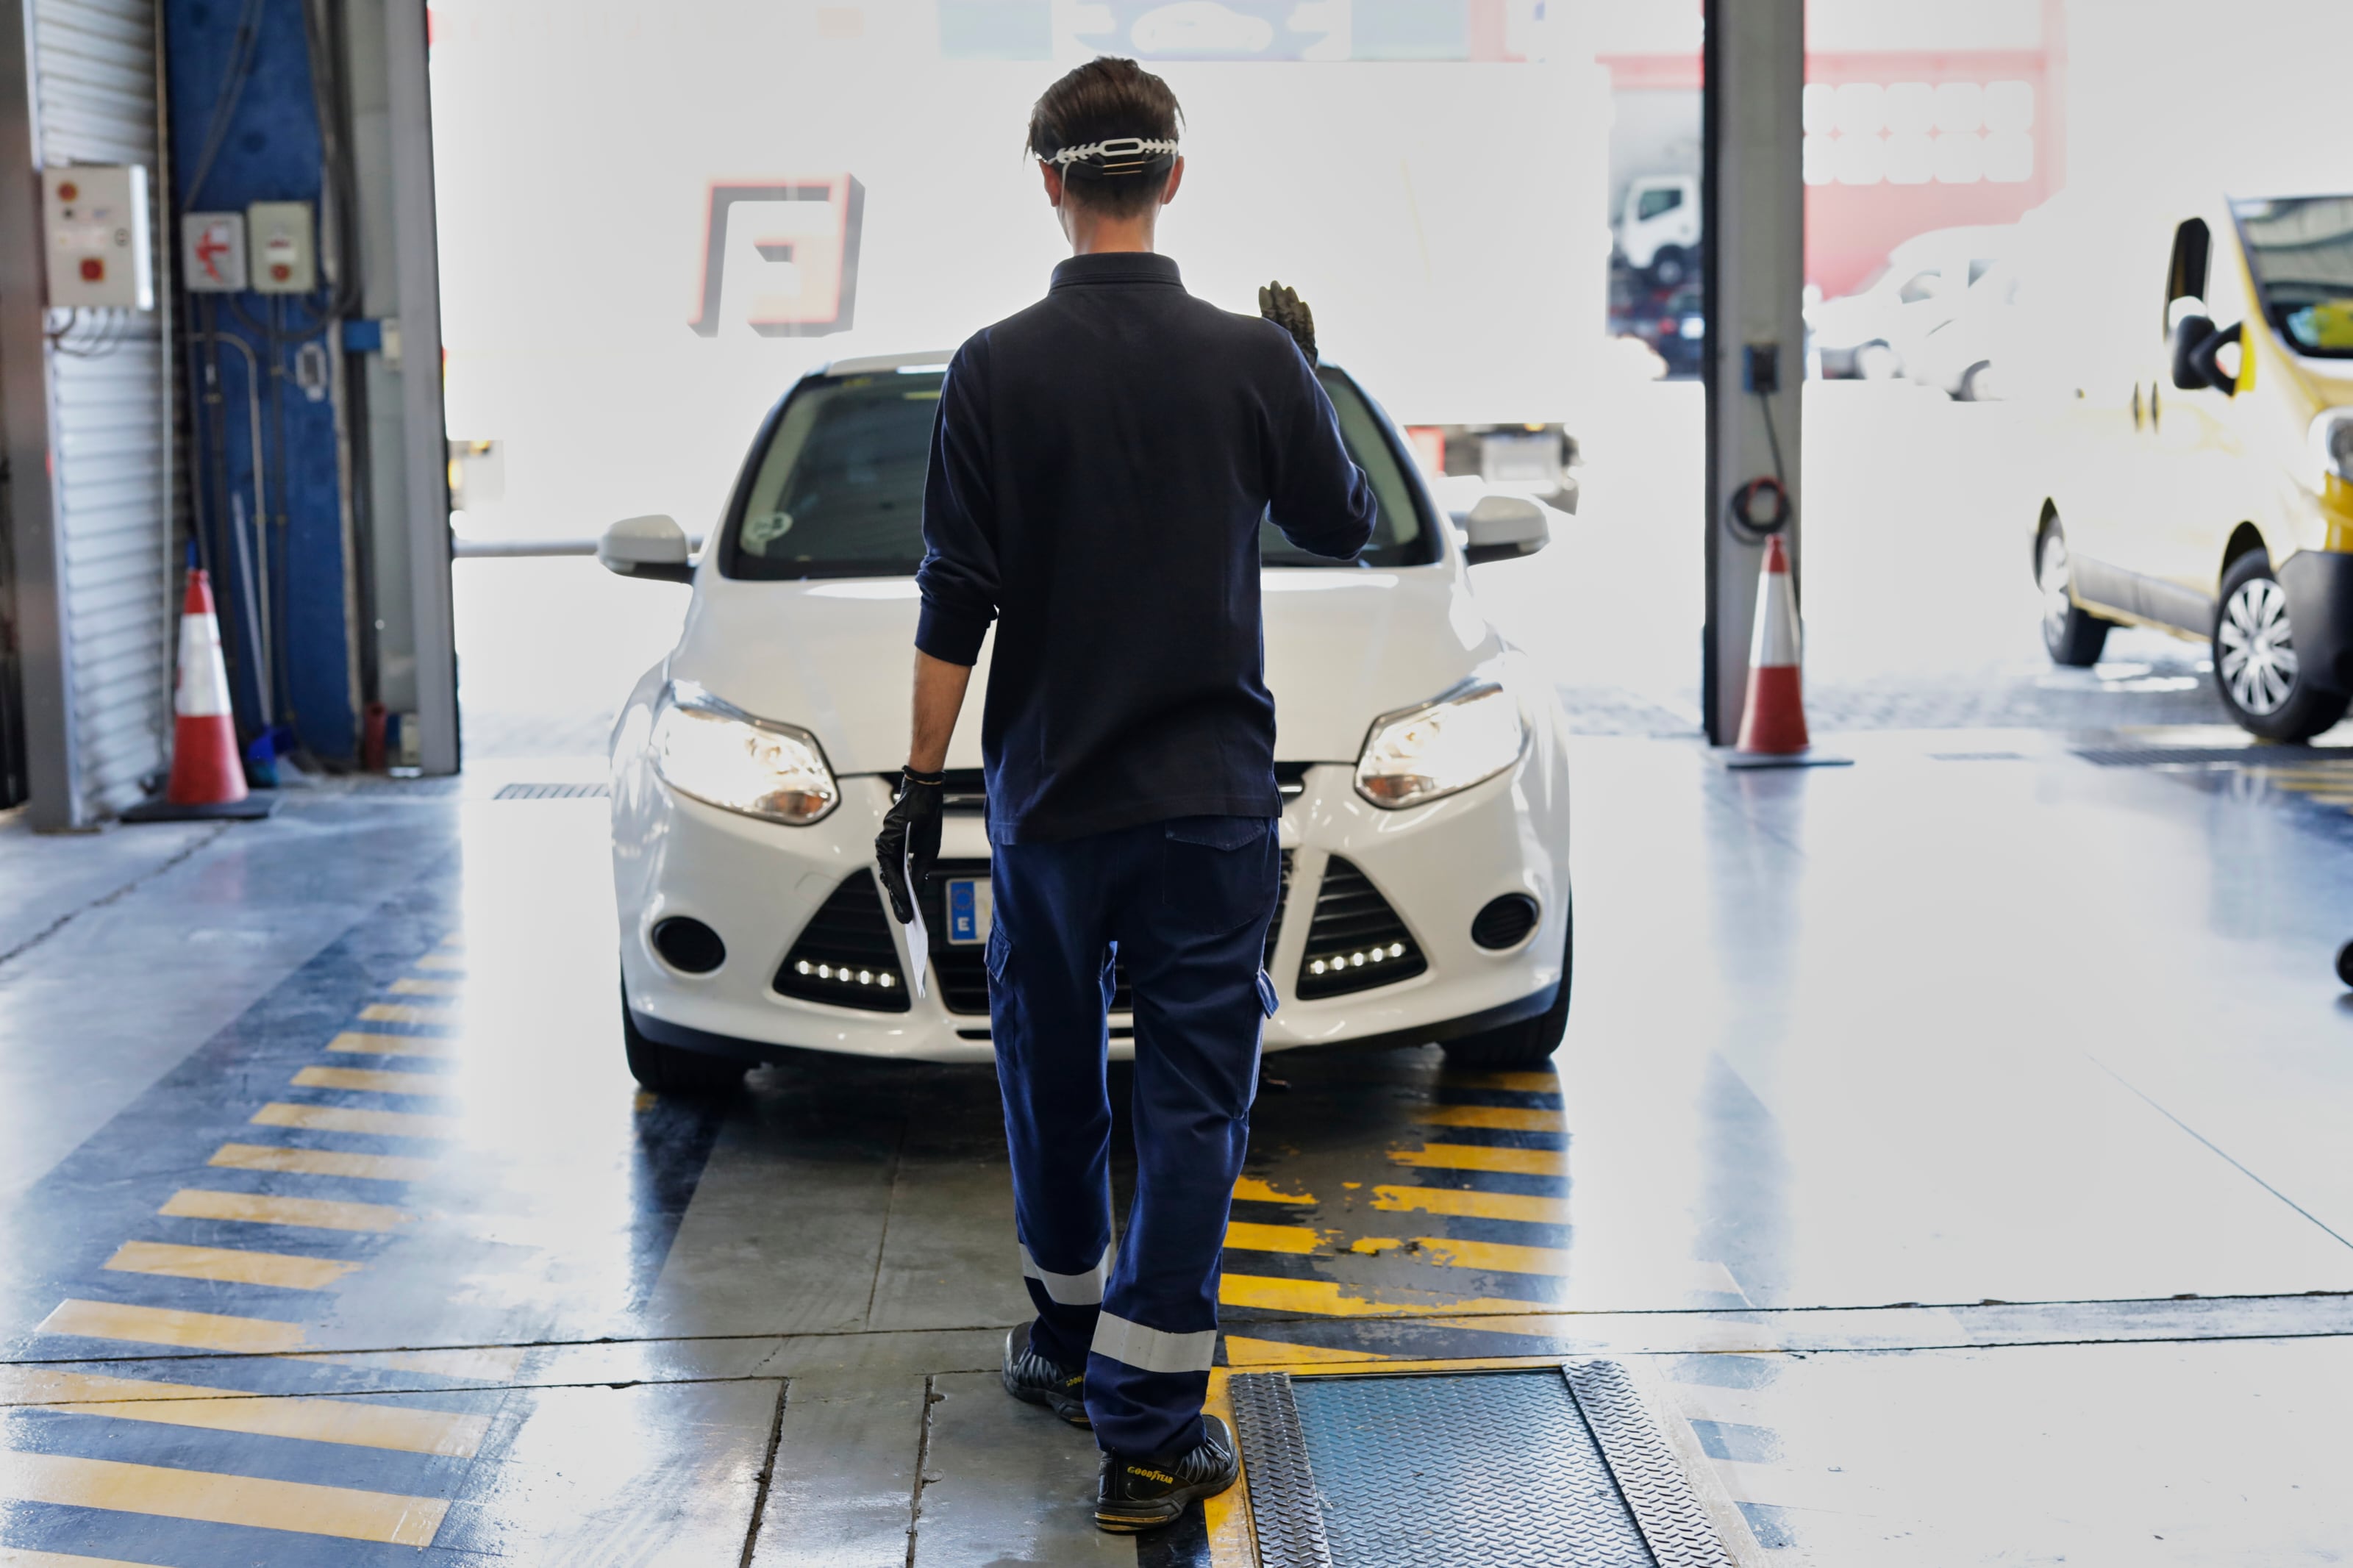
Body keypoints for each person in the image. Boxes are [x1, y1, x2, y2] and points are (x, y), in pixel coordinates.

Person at [871, 56, 1377, 1535]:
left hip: (1047, 801)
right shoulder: (1250, 360)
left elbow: (953, 595)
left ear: (1046, 180)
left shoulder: (992, 366)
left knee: (1044, 1066)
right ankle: (1149, 1427)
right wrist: (1312, 373)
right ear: (1171, 178)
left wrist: (917, 785)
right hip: (1209, 800)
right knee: (1191, 1098)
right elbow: (1339, 524)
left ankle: (1064, 1333)